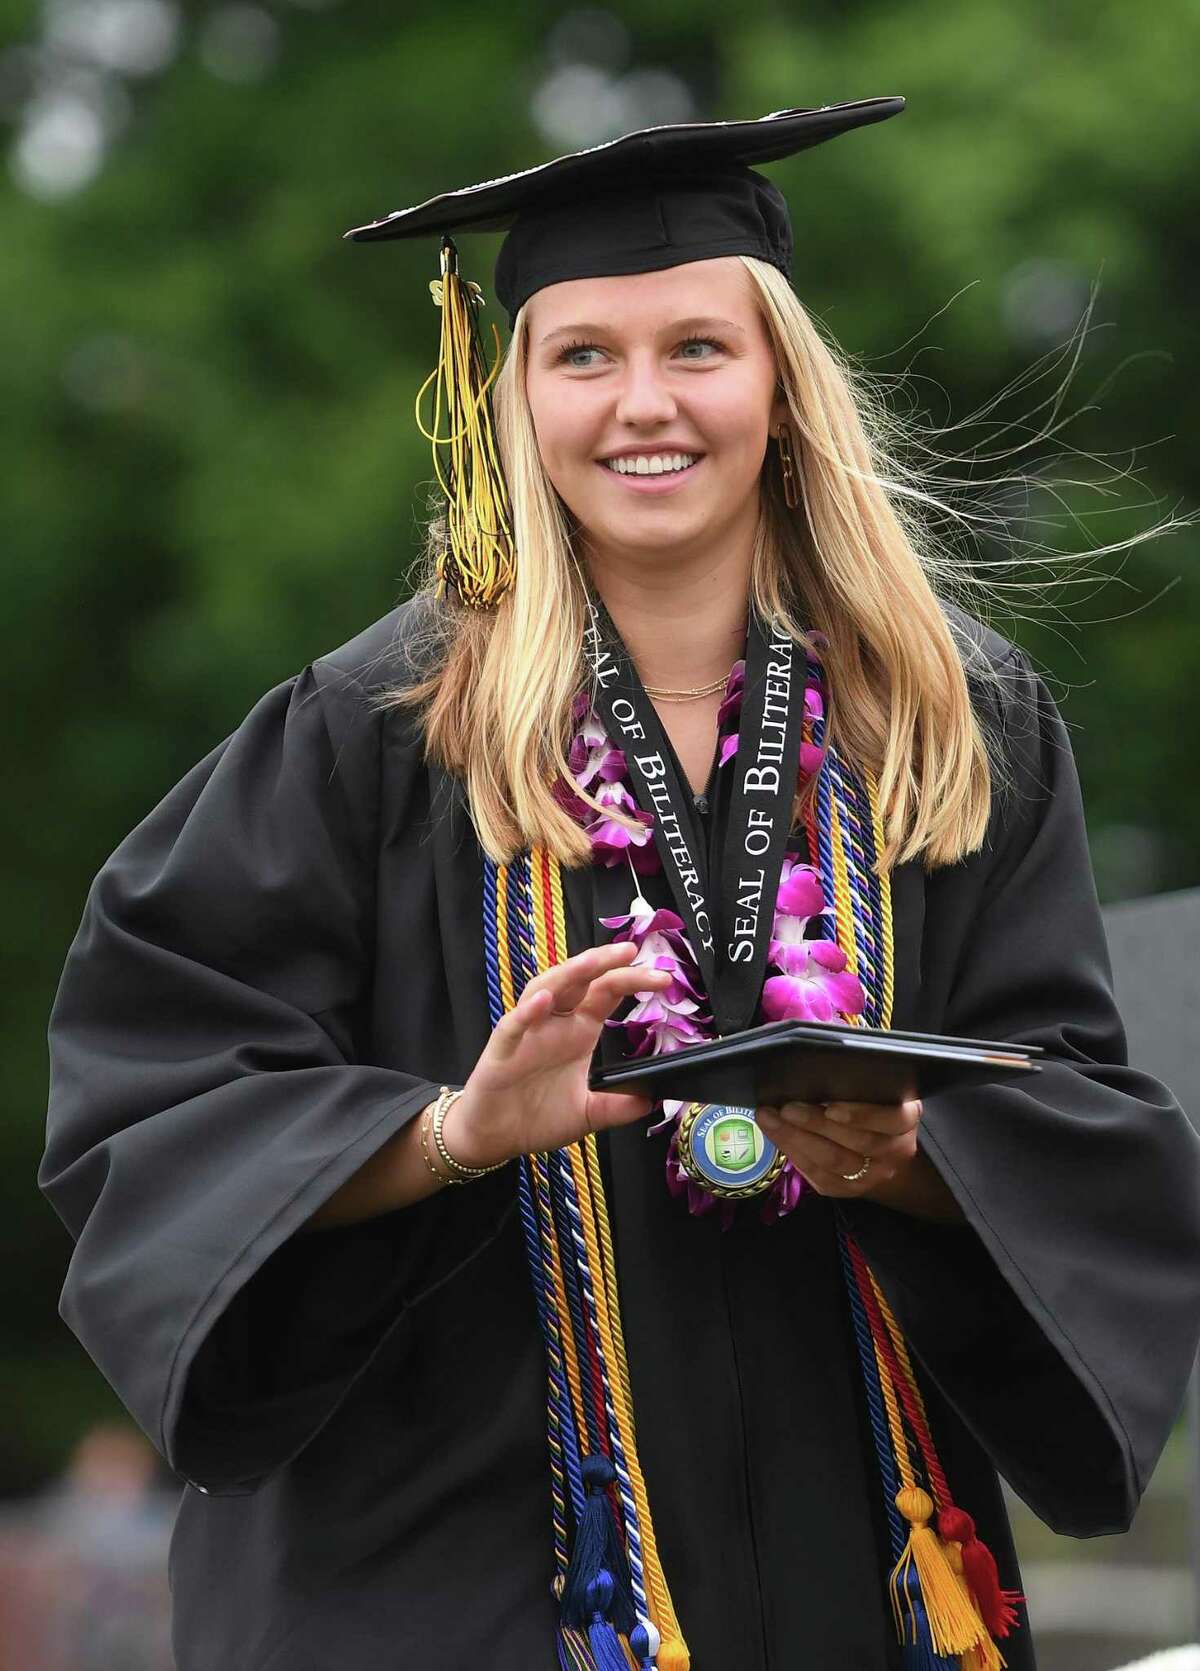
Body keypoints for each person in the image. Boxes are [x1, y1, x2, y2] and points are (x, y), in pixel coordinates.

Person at [40, 99, 1200, 1670]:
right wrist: (451, 1132)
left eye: (698, 350)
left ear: (785, 386)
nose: (642, 404)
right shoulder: (374, 736)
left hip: (851, 1563)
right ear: (512, 396)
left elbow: (1092, 1122)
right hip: (454, 1578)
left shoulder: (954, 728)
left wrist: (916, 1153)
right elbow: (154, 1102)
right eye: (583, 354)